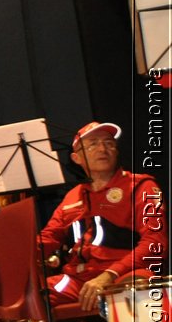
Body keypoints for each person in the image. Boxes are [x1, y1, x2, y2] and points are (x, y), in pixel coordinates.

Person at [39, 121, 165, 311]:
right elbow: (48, 238)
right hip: (77, 280)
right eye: (93, 144)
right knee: (29, 295)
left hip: (123, 274)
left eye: (109, 143)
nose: (102, 148)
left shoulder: (142, 186)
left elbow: (155, 242)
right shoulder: (72, 196)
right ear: (76, 158)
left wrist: (110, 274)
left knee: (135, 287)